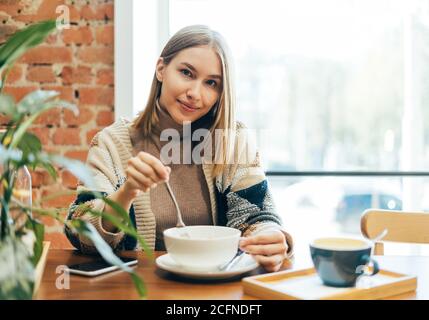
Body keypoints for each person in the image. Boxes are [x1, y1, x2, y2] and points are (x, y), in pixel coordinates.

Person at [65, 25, 293, 272]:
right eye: (186, 73)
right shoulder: (111, 143)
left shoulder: (232, 139)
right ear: (161, 69)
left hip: (217, 289)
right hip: (137, 289)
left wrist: (270, 236)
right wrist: (128, 191)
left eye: (211, 83)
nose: (195, 93)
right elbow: (82, 236)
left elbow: (257, 216)